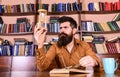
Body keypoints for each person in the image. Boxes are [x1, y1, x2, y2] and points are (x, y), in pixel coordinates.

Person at [34, 16, 103, 71]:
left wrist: (94, 62)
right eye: (60, 28)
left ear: (74, 31)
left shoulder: (84, 45)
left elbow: (97, 61)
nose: (62, 31)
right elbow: (42, 67)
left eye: (65, 27)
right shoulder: (55, 46)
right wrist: (40, 44)